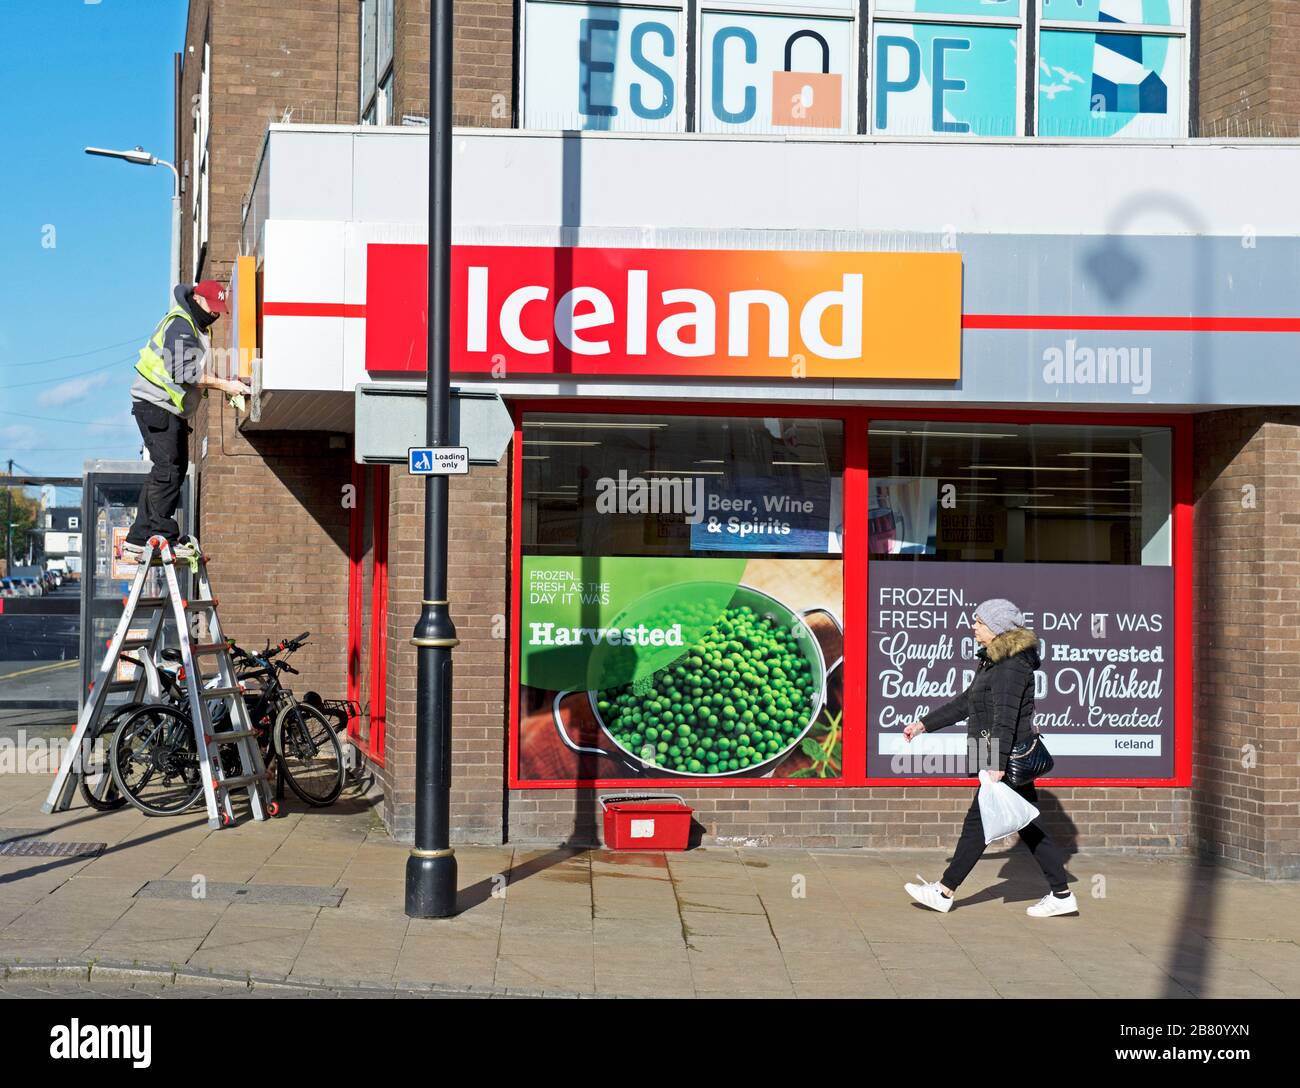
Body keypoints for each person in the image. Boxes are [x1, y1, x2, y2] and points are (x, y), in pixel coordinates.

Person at [901, 599, 1077, 918]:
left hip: (1003, 755)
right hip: (992, 750)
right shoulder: (993, 660)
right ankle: (1061, 894)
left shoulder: (1011, 664)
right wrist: (924, 724)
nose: (973, 626)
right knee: (1027, 824)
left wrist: (996, 763)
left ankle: (945, 891)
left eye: (979, 622)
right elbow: (967, 702)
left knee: (981, 823)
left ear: (997, 628)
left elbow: (1005, 717)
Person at [122, 281, 250, 562]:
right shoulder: (181, 323)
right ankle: (161, 535)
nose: (215, 314)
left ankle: (138, 538)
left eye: (219, 310)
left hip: (167, 407)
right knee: (168, 469)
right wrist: (225, 386)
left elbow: (195, 370)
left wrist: (228, 382)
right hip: (155, 403)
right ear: (198, 298)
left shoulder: (198, 326)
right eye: (212, 307)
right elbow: (183, 372)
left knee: (172, 469)